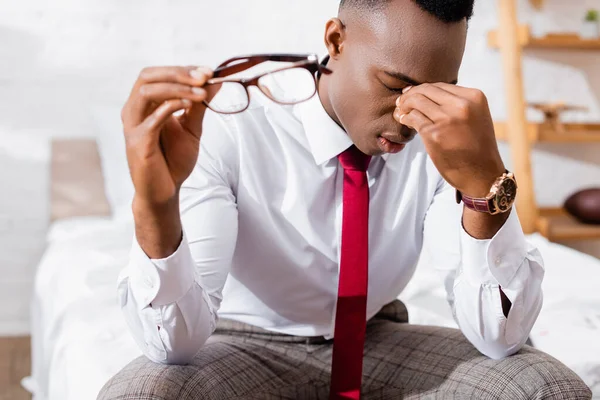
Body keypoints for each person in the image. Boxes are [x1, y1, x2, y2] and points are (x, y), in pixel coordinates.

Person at [98, 0, 592, 399]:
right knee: (139, 395)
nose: (407, 118)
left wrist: (487, 189)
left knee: (546, 388)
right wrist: (155, 205)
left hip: (377, 337)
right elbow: (177, 346)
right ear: (335, 40)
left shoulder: (445, 141)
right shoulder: (228, 125)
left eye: (437, 92)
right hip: (238, 344)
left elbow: (499, 338)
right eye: (395, 85)